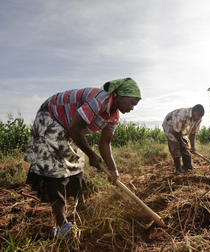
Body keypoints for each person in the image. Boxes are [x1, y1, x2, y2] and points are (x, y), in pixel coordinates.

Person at [24, 77, 141, 238]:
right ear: (120, 96)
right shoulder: (99, 100)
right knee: (56, 170)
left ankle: (82, 206)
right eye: (132, 103)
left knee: (77, 163)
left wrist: (113, 169)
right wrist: (92, 156)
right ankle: (61, 225)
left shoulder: (113, 116)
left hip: (69, 126)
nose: (133, 108)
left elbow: (105, 143)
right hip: (51, 116)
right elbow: (75, 129)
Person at [162, 104, 204, 175]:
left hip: (180, 129)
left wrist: (193, 146)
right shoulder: (182, 114)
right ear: (194, 112)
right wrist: (181, 143)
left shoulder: (198, 119)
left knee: (185, 144)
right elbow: (175, 131)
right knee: (175, 146)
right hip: (170, 127)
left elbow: (193, 133)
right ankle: (178, 169)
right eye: (198, 116)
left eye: (200, 117)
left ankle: (188, 166)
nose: (199, 118)